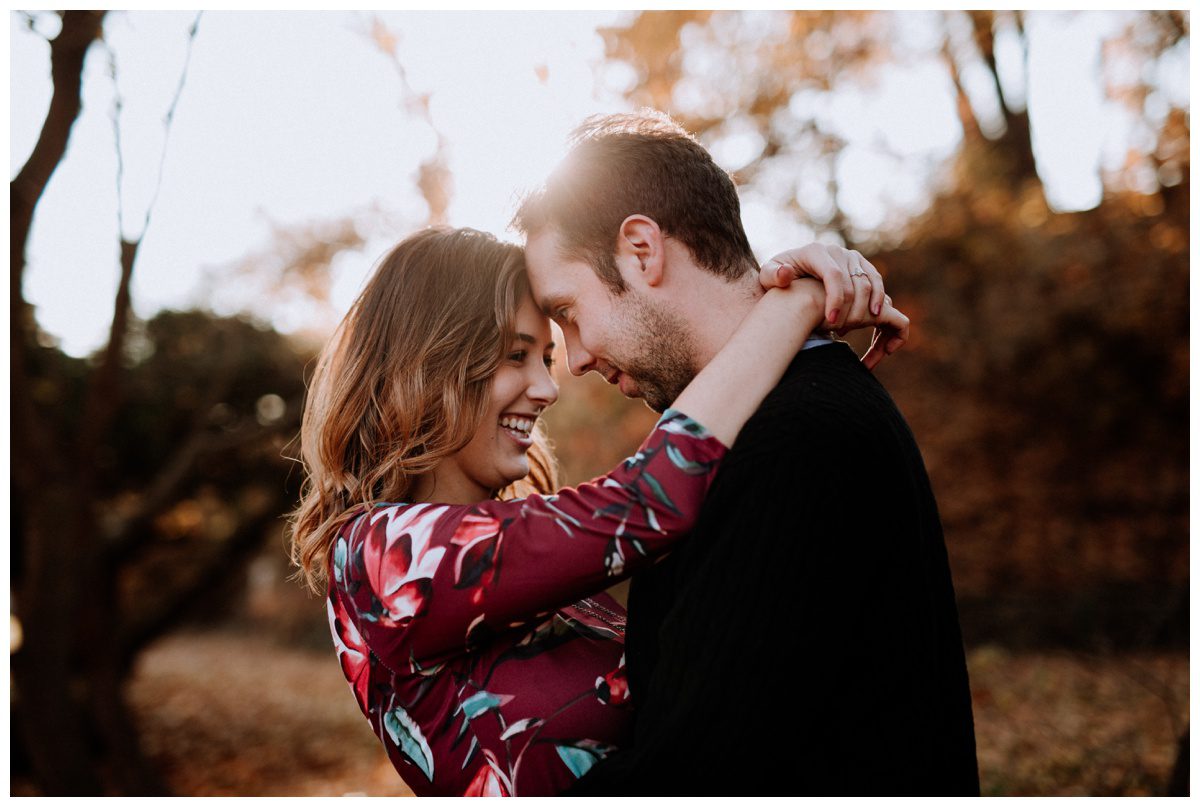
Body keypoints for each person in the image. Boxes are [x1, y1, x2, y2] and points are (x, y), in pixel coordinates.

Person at [289, 226, 904, 796]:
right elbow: (648, 500)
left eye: (547, 360)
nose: (548, 388)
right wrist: (791, 303)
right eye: (515, 355)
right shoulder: (377, 560)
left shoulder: (530, 556)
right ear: (431, 362)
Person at [511, 110, 980, 795]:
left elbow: (693, 774)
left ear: (642, 250)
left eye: (569, 312)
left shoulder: (801, 439)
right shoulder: (771, 420)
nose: (574, 358)